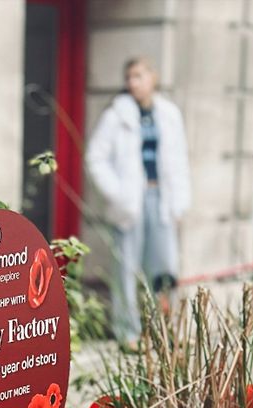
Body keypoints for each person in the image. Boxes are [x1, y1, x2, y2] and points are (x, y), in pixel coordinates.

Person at [86, 56, 191, 346]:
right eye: (129, 77)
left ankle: (164, 329)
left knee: (165, 268)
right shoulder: (115, 116)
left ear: (153, 77)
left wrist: (180, 202)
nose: (133, 82)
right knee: (126, 268)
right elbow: (95, 158)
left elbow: (179, 161)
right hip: (129, 202)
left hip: (161, 199)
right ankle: (128, 332)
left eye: (139, 76)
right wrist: (117, 193)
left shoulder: (170, 114)